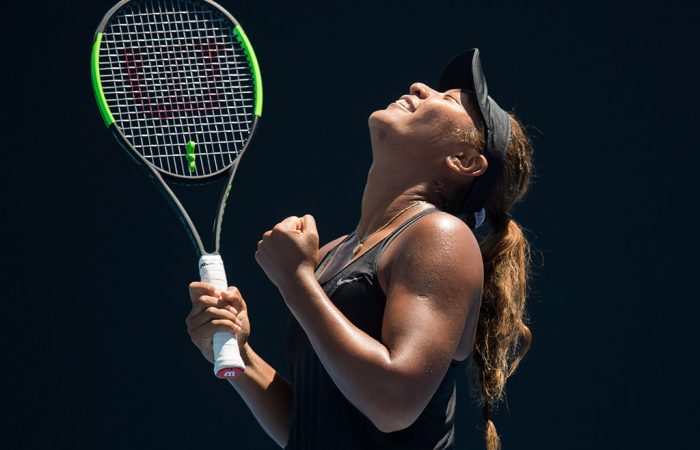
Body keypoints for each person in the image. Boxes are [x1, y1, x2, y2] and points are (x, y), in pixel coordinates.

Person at [186, 48, 534, 450]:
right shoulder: (335, 252)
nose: (420, 88)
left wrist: (296, 281)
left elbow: (392, 404)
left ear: (463, 160)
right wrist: (241, 356)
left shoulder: (441, 236)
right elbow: (312, 429)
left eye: (451, 100)